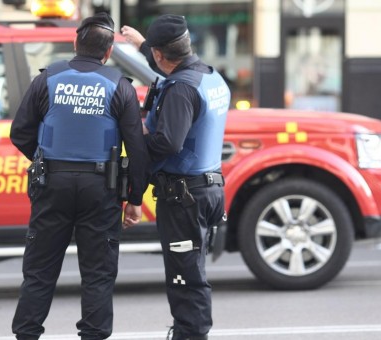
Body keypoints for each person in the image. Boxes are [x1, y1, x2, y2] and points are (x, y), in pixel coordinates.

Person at [10, 12, 149, 340]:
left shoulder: (47, 78)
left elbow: (20, 133)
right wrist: (136, 199)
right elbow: (137, 149)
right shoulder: (120, 86)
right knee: (98, 274)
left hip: (51, 185)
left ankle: (26, 334)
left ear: (75, 41)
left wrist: (46, 161)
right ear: (109, 49)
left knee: (39, 272)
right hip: (101, 188)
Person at [121, 15, 230, 340]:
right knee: (191, 271)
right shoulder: (208, 77)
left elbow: (167, 143)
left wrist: (138, 133)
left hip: (185, 201)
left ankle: (191, 335)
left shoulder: (181, 90)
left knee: (186, 278)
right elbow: (168, 70)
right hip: (206, 190)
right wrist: (141, 45)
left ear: (160, 54)